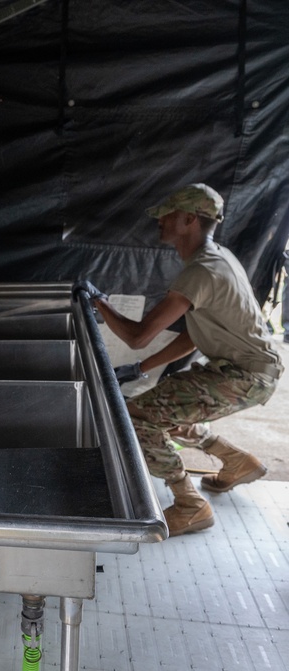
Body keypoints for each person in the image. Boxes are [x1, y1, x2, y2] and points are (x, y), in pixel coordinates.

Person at [75, 183, 282, 536]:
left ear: (189, 219)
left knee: (138, 419)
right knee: (162, 409)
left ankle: (189, 503)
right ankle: (235, 460)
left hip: (244, 376)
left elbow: (138, 335)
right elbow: (192, 336)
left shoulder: (200, 272)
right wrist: (141, 368)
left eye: (167, 214)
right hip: (248, 370)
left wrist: (98, 301)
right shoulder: (217, 258)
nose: (160, 221)